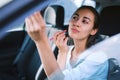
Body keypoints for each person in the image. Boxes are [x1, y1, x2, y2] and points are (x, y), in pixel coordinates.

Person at [25, 6, 108, 80]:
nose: (76, 23)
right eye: (75, 18)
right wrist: (62, 52)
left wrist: (40, 41)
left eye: (84, 21)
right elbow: (60, 75)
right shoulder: (68, 50)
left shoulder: (98, 57)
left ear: (93, 31)